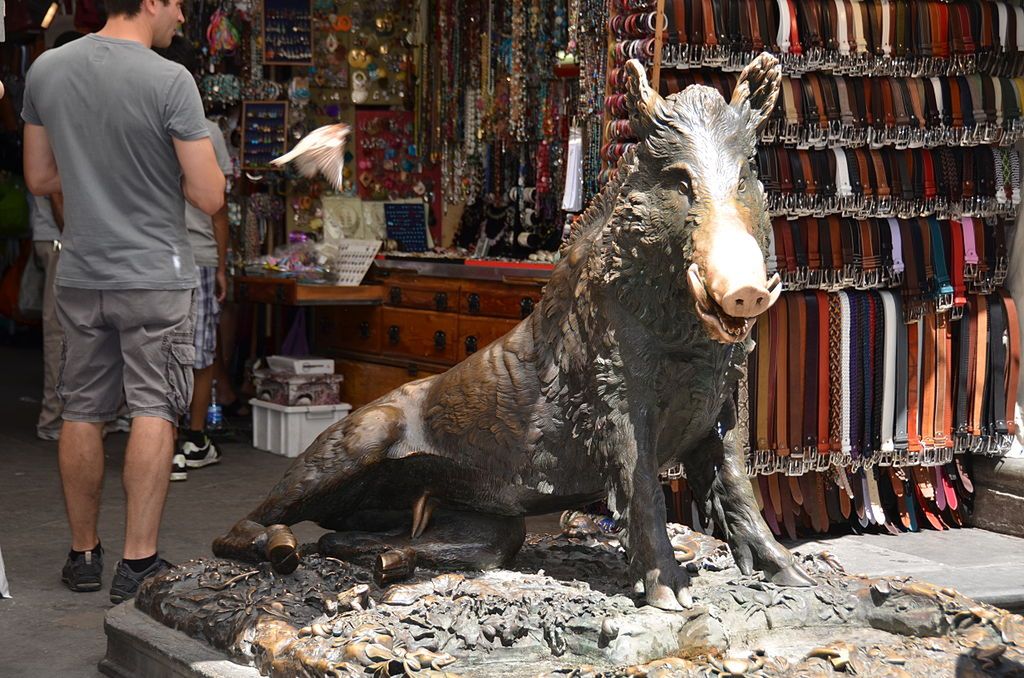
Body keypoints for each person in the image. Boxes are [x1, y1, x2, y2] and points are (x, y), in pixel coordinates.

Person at [21, 0, 225, 603]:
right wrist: (162, 174)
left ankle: (84, 555)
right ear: (153, 1)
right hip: (154, 274)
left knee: (81, 409)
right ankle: (138, 565)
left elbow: (38, 177)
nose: (183, 17)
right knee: (154, 410)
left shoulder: (48, 70)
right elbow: (210, 195)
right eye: (180, 5)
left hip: (82, 270)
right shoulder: (169, 79)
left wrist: (95, 178)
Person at [154, 35, 231, 481]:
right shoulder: (206, 130)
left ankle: (163, 440)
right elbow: (215, 205)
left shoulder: (138, 123)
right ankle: (194, 438)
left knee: (157, 351)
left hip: (150, 253)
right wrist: (223, 265)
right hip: (196, 254)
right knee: (199, 351)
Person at [31, 30, 83, 442]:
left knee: (69, 330)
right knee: (62, 330)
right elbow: (54, 187)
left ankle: (64, 417)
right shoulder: (58, 103)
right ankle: (55, 418)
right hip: (64, 237)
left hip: (63, 235)